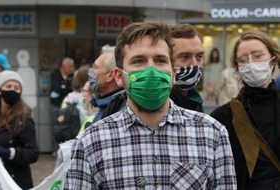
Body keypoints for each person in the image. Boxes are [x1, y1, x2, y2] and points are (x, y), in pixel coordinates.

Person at [64, 22, 236, 189]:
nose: (151, 70)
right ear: (118, 75)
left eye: (160, 60)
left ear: (173, 73)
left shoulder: (212, 134)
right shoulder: (91, 142)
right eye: (139, 61)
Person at [210, 30, 280, 189]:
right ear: (237, 66)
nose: (250, 63)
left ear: (273, 60)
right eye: (242, 59)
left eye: (257, 55)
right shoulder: (224, 116)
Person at [0, 70, 39, 189]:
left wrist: (9, 153)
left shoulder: (24, 119)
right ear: (0, 89)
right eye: (9, 86)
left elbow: (33, 153)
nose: (12, 90)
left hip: (14, 181)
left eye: (17, 88)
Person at [169, 23, 204, 112]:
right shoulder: (158, 105)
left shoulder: (195, 99)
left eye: (199, 56)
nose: (195, 64)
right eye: (185, 57)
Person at [88, 44, 125, 123]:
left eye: (95, 67)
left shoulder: (119, 113)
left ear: (110, 75)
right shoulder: (104, 105)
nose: (91, 71)